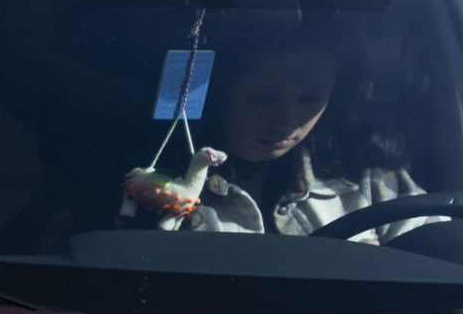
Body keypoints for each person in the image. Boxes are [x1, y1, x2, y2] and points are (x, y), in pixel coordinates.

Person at [118, 31, 417, 236]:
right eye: (263, 99)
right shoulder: (152, 183)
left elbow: (434, 251)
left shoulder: (368, 179)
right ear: (216, 95)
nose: (288, 121)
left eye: (311, 99)